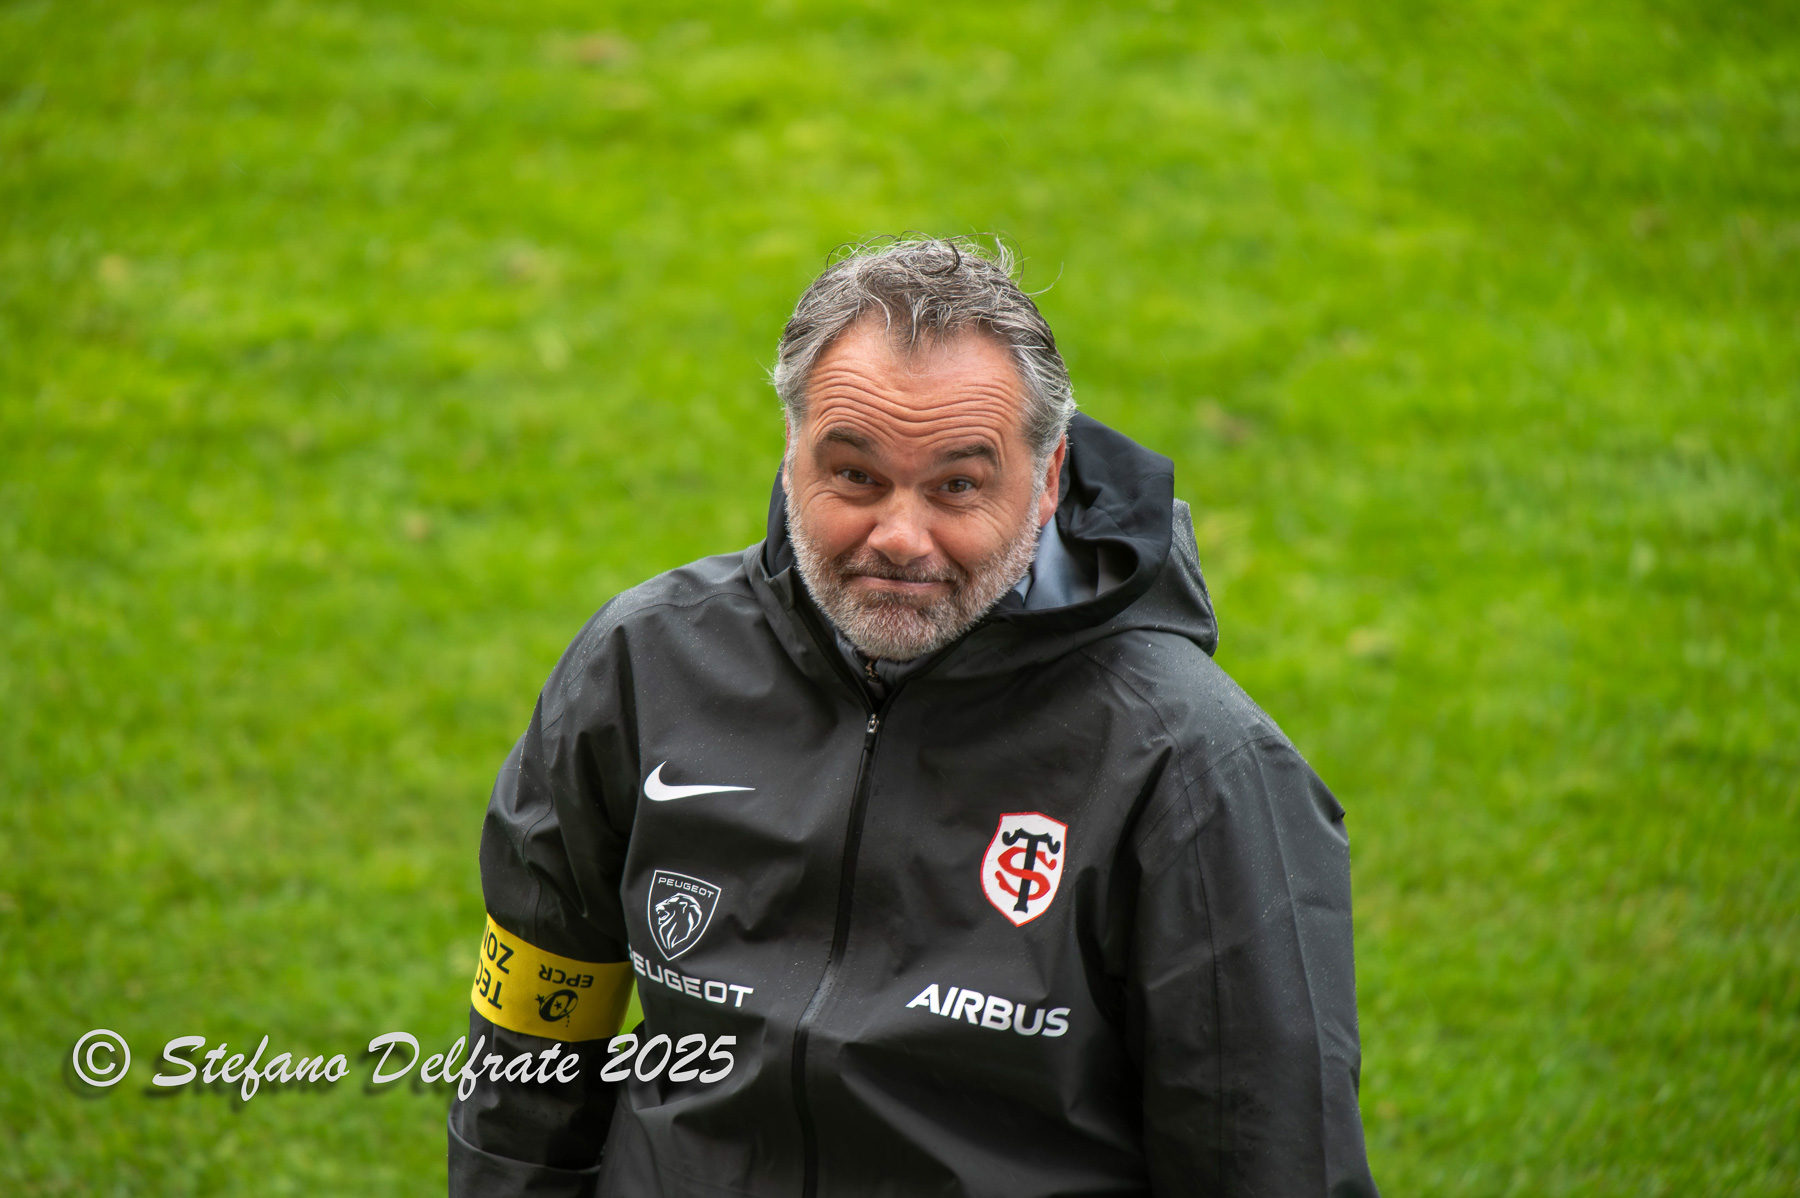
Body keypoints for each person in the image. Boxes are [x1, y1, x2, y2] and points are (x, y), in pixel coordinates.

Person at [448, 236, 1379, 1197]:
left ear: (1048, 480)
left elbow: (1272, 1159)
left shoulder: (1192, 768)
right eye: (854, 475)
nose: (899, 537)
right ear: (791, 447)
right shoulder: (641, 666)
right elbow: (531, 1046)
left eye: (957, 486)